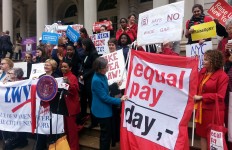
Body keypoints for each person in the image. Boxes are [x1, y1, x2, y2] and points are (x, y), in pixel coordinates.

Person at [193, 50, 228, 150]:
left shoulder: (222, 76)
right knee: (202, 135)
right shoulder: (203, 72)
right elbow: (195, 80)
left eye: (206, 59)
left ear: (213, 62)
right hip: (201, 110)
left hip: (213, 112)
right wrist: (194, 62)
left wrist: (202, 97)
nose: (203, 61)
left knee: (212, 137)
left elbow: (220, 96)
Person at [91, 57, 128, 150]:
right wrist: (120, 100)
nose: (108, 68)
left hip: (105, 109)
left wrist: (115, 85)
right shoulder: (96, 80)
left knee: (107, 133)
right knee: (105, 135)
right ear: (99, 68)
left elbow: (105, 88)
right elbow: (104, 97)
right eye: (106, 67)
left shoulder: (102, 75)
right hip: (102, 111)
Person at [36, 59, 60, 150]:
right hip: (41, 106)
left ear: (53, 67)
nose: (46, 66)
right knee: (42, 127)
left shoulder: (57, 77)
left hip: (52, 106)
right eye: (45, 65)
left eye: (48, 65)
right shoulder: (40, 76)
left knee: (52, 128)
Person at [3, 68, 28, 150]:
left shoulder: (23, 83)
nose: (8, 74)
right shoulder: (7, 83)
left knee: (21, 125)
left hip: (20, 108)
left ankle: (23, 141)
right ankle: (14, 141)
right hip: (10, 108)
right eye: (8, 72)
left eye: (10, 73)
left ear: (16, 75)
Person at [217, 18, 232, 149]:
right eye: (228, 29)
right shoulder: (223, 42)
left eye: (231, 28)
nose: (229, 31)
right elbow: (219, 59)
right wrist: (225, 52)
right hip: (228, 79)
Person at [61, 61, 80, 150]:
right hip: (64, 107)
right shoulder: (62, 77)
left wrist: (69, 83)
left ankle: (74, 148)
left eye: (65, 67)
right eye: (62, 67)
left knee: (72, 131)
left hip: (71, 108)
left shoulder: (73, 77)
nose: (63, 68)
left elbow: (75, 91)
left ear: (70, 68)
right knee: (66, 130)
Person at [79, 38, 99, 127]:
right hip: (84, 79)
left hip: (90, 79)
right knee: (83, 98)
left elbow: (94, 68)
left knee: (91, 100)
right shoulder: (86, 53)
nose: (82, 46)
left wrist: (85, 75)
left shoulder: (94, 54)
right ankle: (84, 117)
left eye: (84, 45)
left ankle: (94, 121)